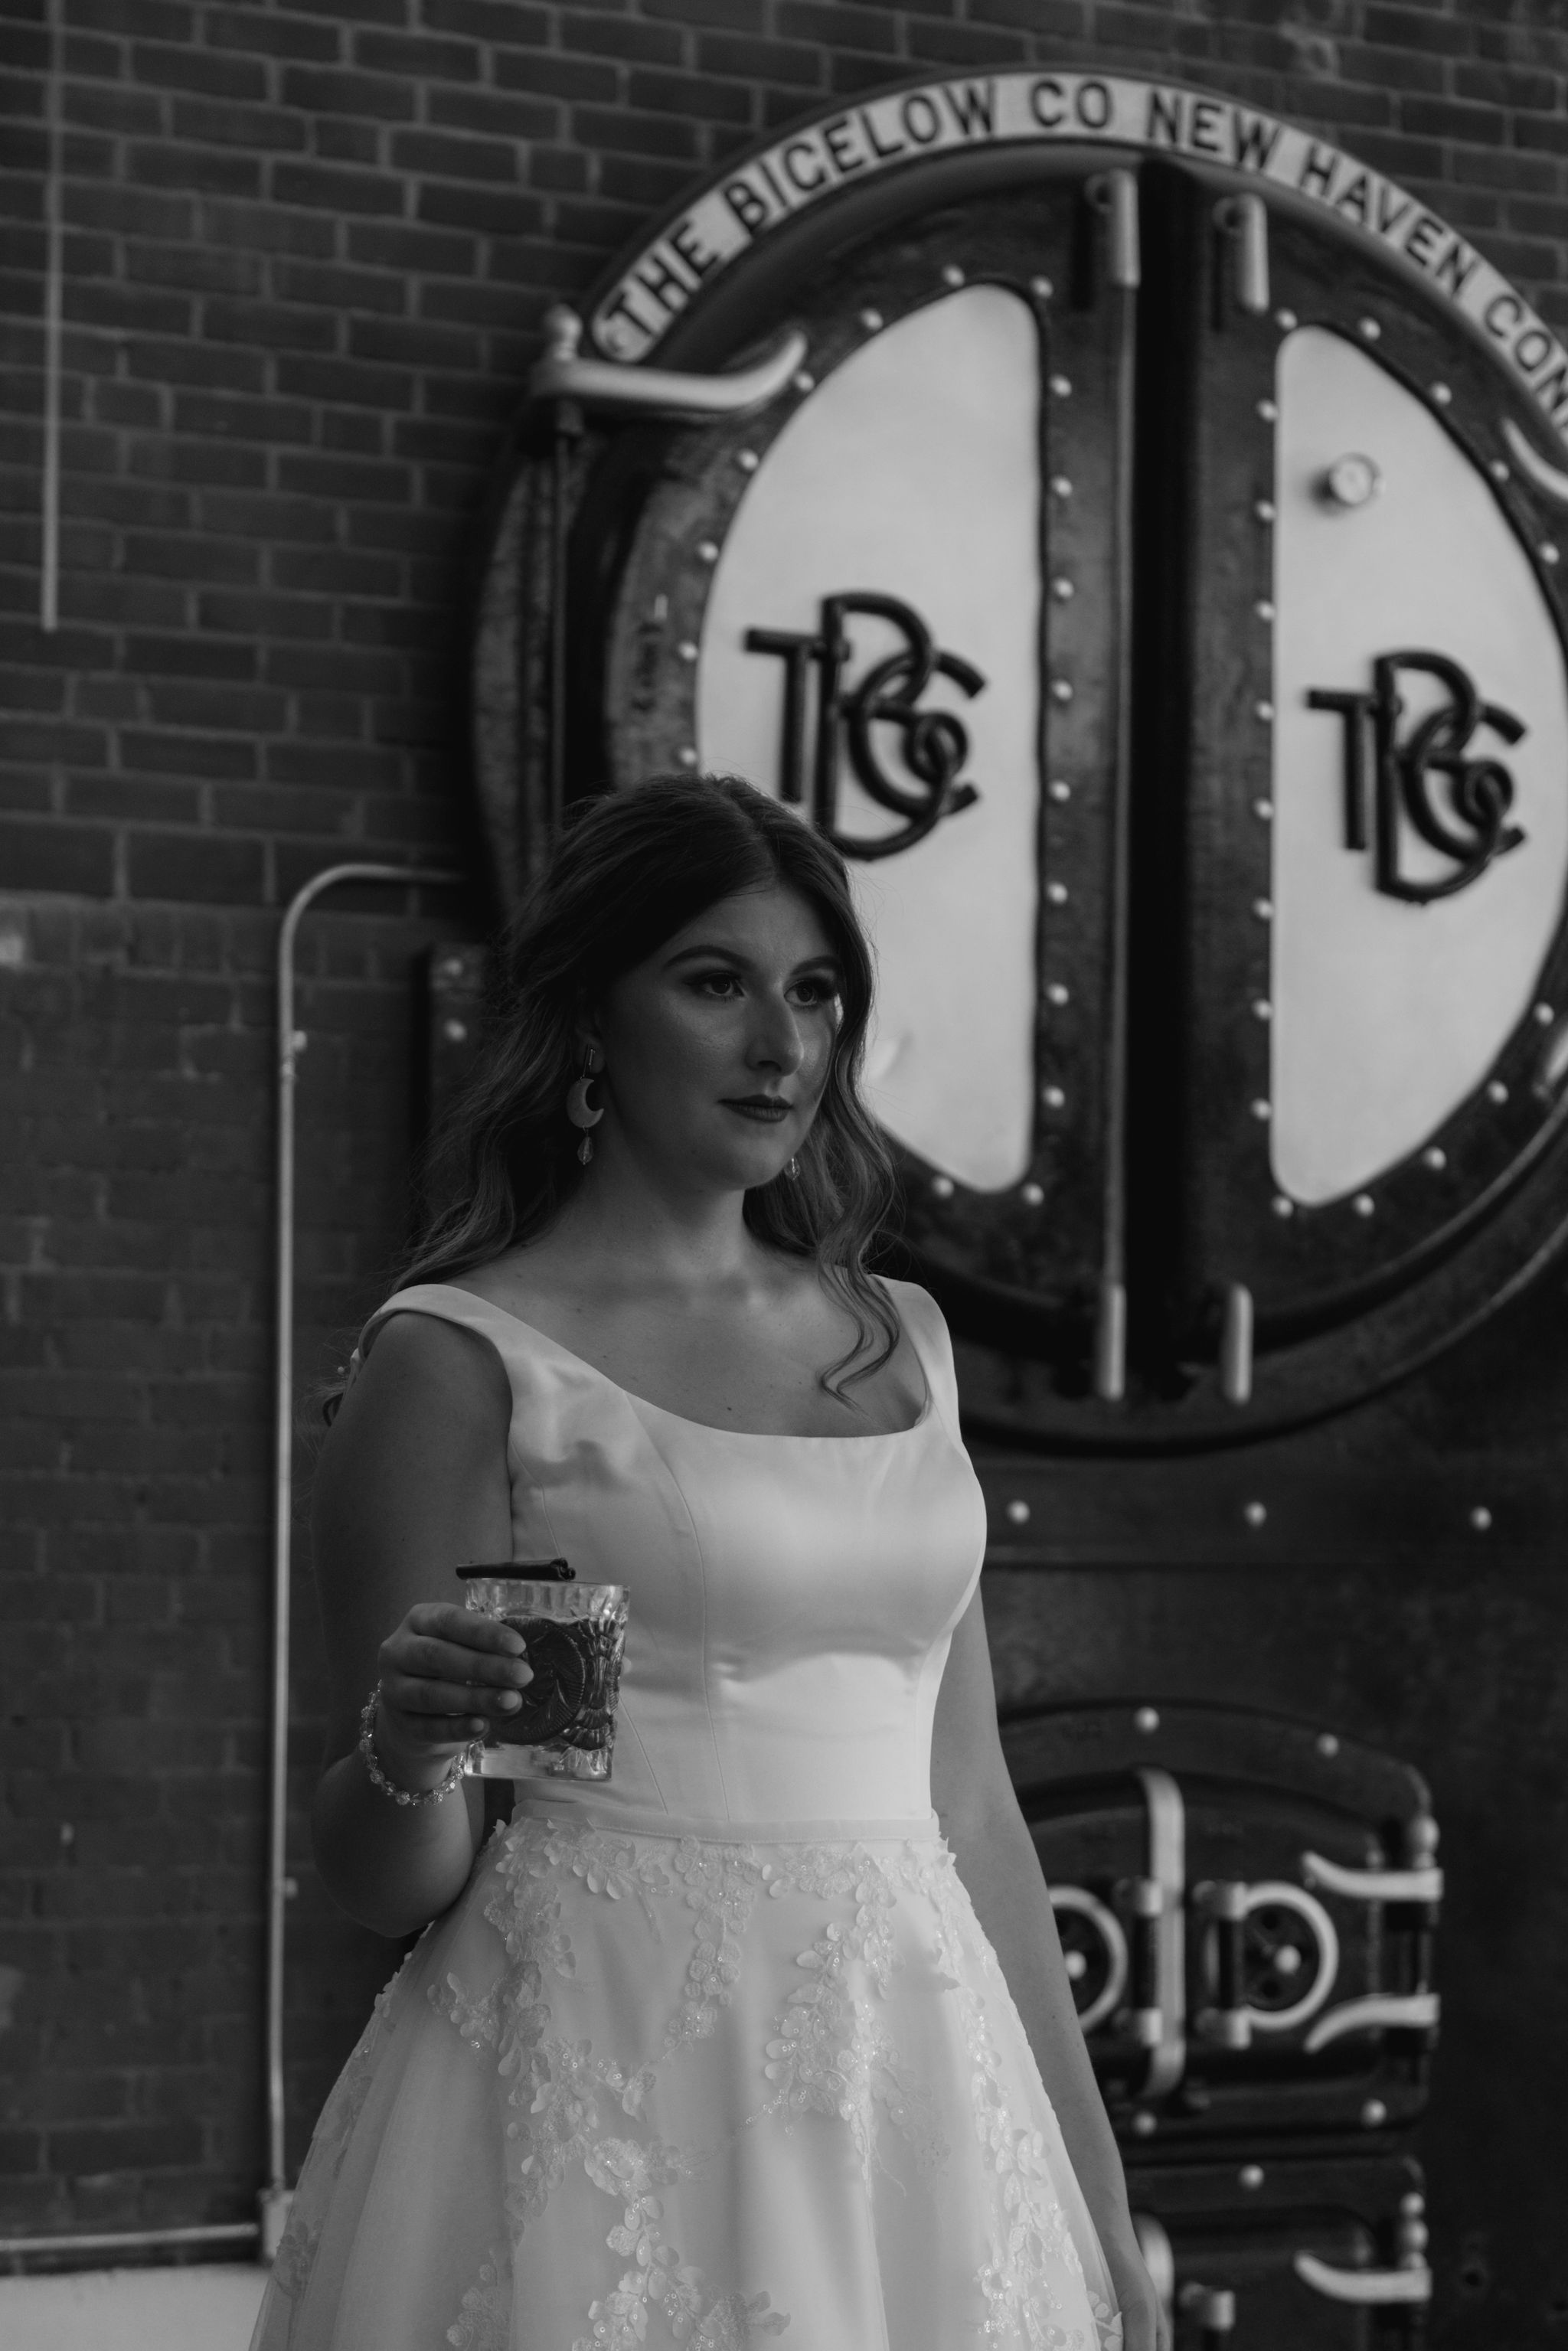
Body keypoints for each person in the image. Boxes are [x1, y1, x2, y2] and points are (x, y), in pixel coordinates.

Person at [251, 775, 1165, 2351]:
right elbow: (404, 1875)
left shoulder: (903, 1344)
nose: (781, 1042)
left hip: (917, 2086)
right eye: (714, 982)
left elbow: (972, 1811)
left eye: (813, 992)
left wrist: (1097, 2211)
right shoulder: (476, 1363)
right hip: (600, 2080)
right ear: (591, 1024)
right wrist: (405, 1754)